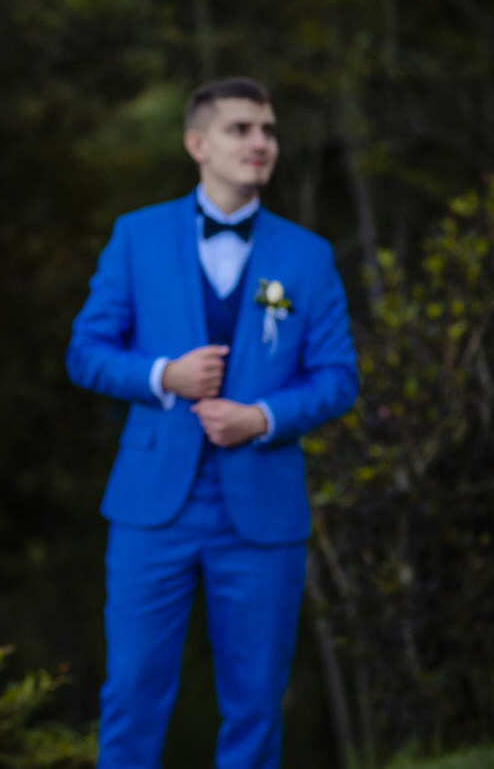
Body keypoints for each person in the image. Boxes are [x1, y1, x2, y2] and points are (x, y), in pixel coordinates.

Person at [65, 77, 358, 768]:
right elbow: (86, 352)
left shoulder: (307, 256)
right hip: (151, 505)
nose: (261, 142)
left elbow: (339, 377)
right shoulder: (137, 237)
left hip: (262, 511)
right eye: (242, 129)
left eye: (269, 130)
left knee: (256, 701)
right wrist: (163, 374)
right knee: (133, 690)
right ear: (198, 143)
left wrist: (261, 416)